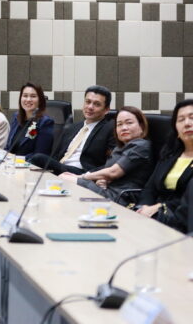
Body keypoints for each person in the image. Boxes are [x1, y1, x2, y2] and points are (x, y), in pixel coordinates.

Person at [60, 106, 153, 205]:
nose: (124, 128)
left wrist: (83, 177)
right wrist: (102, 180)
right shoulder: (119, 147)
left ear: (142, 126)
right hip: (109, 192)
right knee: (64, 179)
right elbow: (109, 172)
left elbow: (113, 172)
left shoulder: (141, 146)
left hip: (121, 198)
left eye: (129, 123)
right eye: (119, 124)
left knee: (66, 178)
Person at [134, 99, 193, 232]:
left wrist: (159, 207)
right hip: (155, 215)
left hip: (181, 220)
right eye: (181, 119)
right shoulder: (170, 154)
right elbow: (150, 188)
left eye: (192, 118)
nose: (187, 123)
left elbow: (188, 200)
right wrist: (142, 207)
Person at [29, 85, 114, 175]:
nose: (90, 107)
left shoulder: (110, 128)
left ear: (106, 110)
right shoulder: (72, 127)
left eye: (97, 104)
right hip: (60, 167)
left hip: (82, 172)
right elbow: (56, 155)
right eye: (88, 102)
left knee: (38, 158)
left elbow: (112, 162)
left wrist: (90, 175)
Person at [5, 82, 54, 159]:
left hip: (29, 167)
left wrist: (17, 159)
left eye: (33, 96)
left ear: (40, 100)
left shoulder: (45, 122)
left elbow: (40, 155)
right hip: (10, 165)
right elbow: (8, 147)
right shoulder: (16, 117)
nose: (28, 99)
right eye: (25, 96)